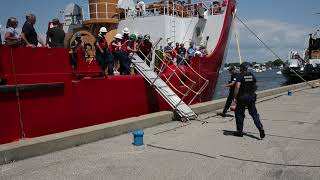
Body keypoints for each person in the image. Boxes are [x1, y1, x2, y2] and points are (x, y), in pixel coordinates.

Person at [233, 63, 265, 139]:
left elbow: (237, 87)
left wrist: (234, 97)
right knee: (254, 114)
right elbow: (255, 85)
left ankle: (240, 132)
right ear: (246, 68)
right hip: (251, 97)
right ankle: (260, 128)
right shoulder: (251, 75)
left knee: (239, 114)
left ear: (241, 68)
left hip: (242, 98)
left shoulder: (239, 76)